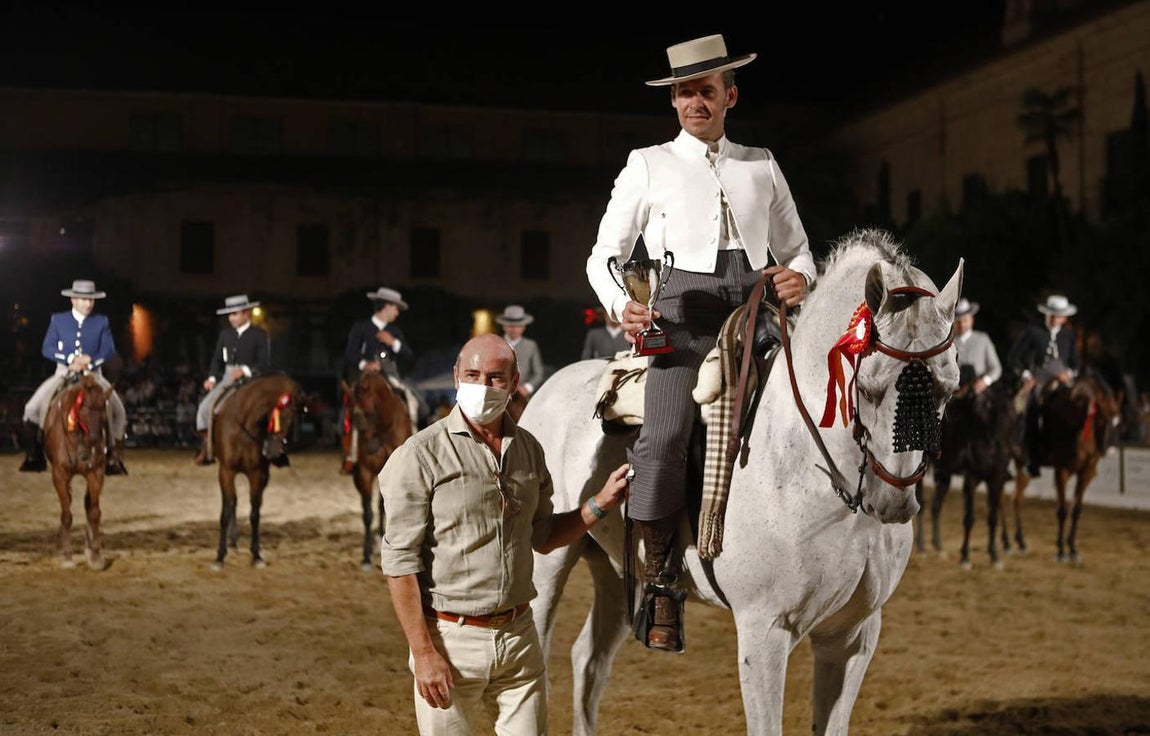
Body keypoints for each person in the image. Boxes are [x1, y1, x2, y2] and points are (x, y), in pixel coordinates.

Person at [585, 33, 816, 653]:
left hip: (754, 306)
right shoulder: (648, 163)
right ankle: (660, 581)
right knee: (662, 433)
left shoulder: (761, 162)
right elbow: (604, 253)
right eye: (684, 91)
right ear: (675, 102)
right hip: (677, 315)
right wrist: (622, 303)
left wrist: (802, 277)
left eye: (705, 90)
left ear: (729, 96)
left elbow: (797, 250)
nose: (694, 101)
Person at [379, 333, 630, 734]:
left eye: (496, 377)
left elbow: (543, 535)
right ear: (456, 377)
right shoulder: (418, 454)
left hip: (519, 641)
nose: (483, 386)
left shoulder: (529, 449)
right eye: (473, 374)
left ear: (514, 383)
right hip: (450, 641)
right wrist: (423, 652)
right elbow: (399, 564)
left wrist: (598, 503)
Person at [19, 279, 129, 475]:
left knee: (118, 412)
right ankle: (34, 454)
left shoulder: (101, 321)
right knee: (31, 408)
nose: (89, 304)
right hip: (64, 372)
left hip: (93, 375)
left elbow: (109, 349)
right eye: (85, 299)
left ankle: (113, 455)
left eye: (91, 300)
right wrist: (70, 359)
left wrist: (91, 360)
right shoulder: (58, 320)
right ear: (73, 299)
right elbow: (47, 348)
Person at [341, 286, 424, 472]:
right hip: (365, 378)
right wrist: (365, 365)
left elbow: (409, 355)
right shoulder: (360, 328)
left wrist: (393, 343)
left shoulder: (394, 331)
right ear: (386, 307)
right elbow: (350, 354)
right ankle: (350, 453)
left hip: (390, 377)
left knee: (413, 402)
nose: (397, 312)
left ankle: (413, 449)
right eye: (396, 308)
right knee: (352, 408)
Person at [1007, 293, 1080, 477]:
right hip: (1038, 379)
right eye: (1053, 314)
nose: (1056, 318)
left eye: (1060, 315)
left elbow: (1076, 364)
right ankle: (1031, 455)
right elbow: (1014, 358)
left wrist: (1068, 374)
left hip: (1062, 380)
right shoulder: (1033, 332)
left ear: (1064, 317)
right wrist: (1027, 376)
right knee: (1030, 409)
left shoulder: (1069, 335)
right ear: (1047, 314)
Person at [192, 294, 271, 465]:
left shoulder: (259, 335)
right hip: (228, 379)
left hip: (253, 380)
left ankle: (273, 448)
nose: (232, 318)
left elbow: (264, 363)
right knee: (205, 409)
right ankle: (207, 448)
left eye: (235, 314)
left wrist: (244, 371)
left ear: (246, 313)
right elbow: (217, 359)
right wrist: (212, 377)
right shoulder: (225, 335)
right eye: (230, 315)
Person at [953, 297, 1002, 394]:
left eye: (965, 320)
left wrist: (985, 381)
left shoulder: (983, 339)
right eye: (958, 321)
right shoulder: (950, 343)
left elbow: (996, 367)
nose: (962, 324)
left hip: (979, 392)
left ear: (971, 319)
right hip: (955, 393)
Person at [496, 305, 544, 400]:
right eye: (510, 325)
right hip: (498, 394)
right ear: (503, 326)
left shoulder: (531, 345)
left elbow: (539, 373)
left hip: (522, 395)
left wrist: (527, 388)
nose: (514, 329)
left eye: (518, 325)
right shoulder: (496, 343)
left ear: (523, 327)